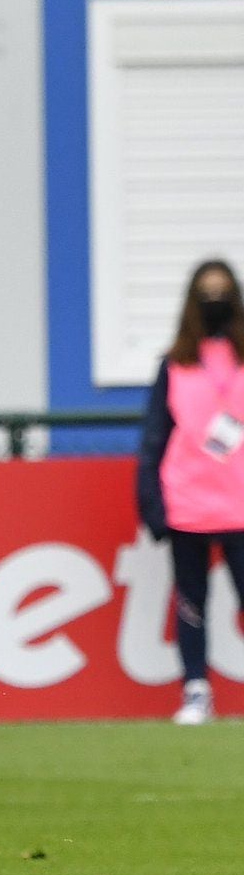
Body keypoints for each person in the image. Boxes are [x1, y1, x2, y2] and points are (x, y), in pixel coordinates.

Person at [136, 258, 244, 726]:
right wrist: (151, 503)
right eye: (207, 291)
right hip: (189, 503)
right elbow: (155, 437)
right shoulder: (174, 365)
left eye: (224, 290)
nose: (215, 300)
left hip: (241, 502)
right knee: (191, 600)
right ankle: (196, 688)